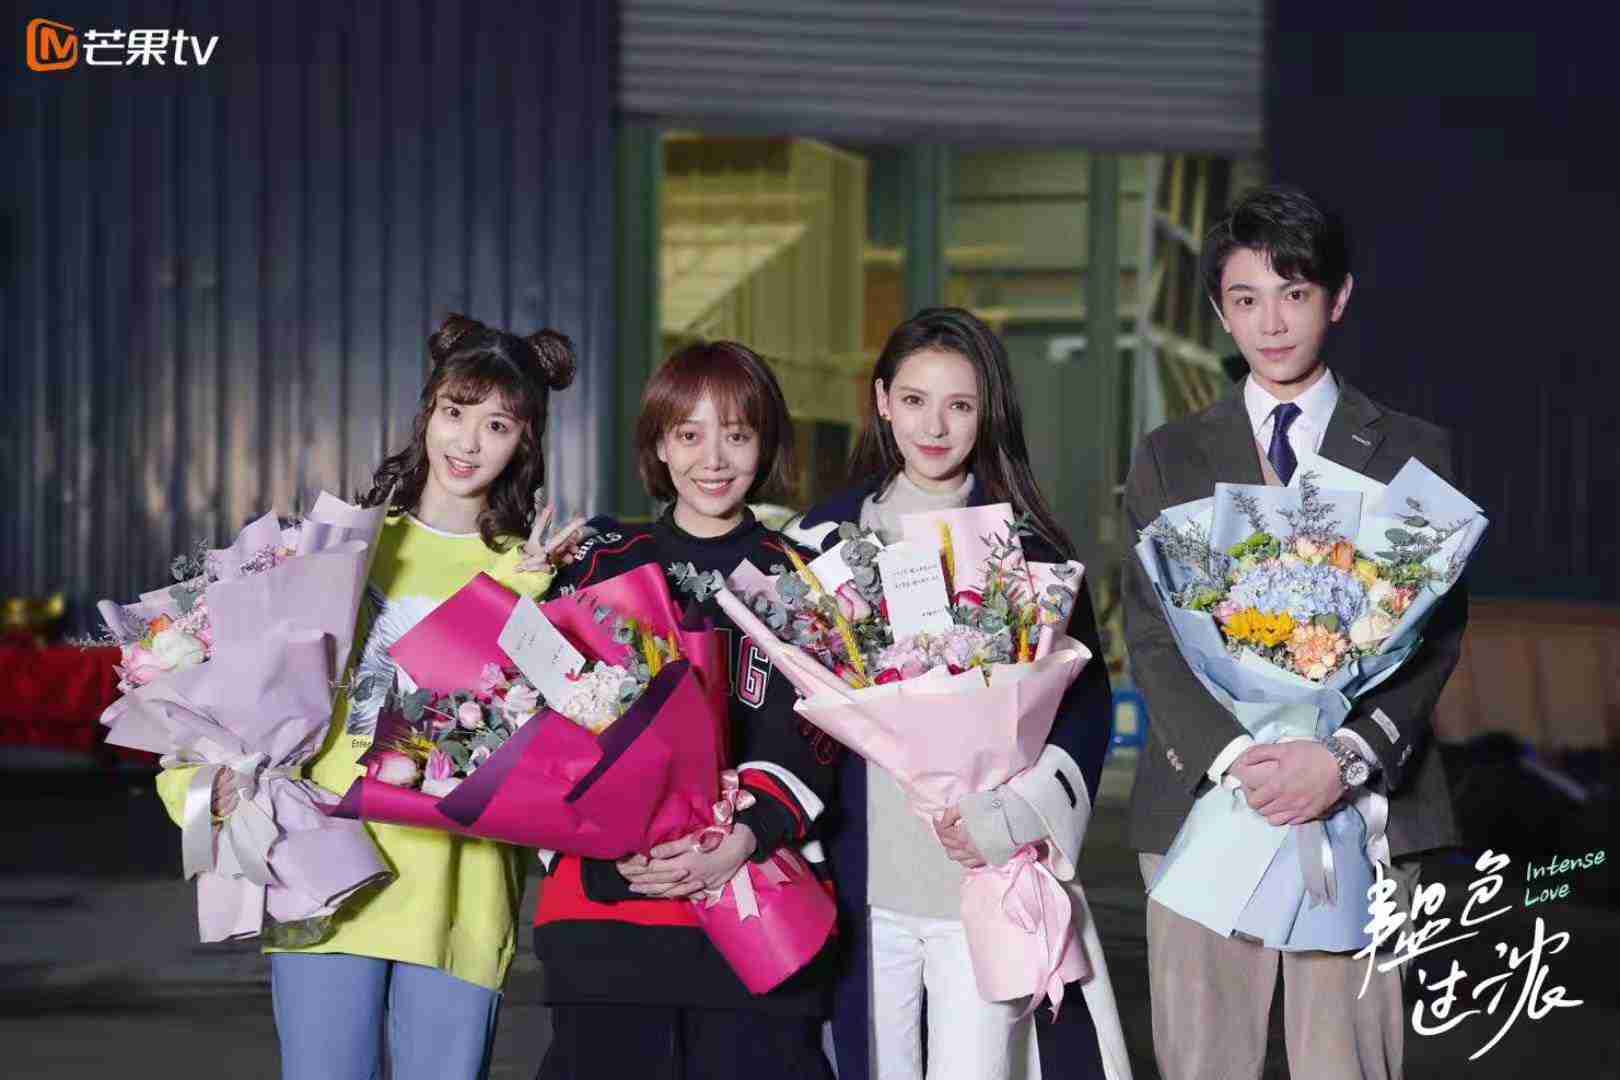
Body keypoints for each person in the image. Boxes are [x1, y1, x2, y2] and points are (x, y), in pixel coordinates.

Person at [156, 313, 576, 1079]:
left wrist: (546, 610)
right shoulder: (335, 546)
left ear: (525, 441)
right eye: (455, 412)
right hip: (326, 870)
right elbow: (224, 699)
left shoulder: (531, 574)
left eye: (497, 425)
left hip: (459, 889)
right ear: (427, 414)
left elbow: (554, 750)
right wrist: (203, 784)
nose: (468, 443)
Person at [1122, 185, 1468, 1080]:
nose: (1271, 323)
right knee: (1204, 1062)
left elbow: (1433, 636)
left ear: (1338, 298)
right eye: (1246, 299)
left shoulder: (1414, 450)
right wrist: (1239, 759)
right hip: (1208, 805)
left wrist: (1343, 759)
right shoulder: (1169, 455)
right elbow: (1151, 633)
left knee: (1346, 1063)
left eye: (1295, 293)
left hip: (1362, 807)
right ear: (1219, 311)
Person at [789, 307, 1127, 1080]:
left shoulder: (1028, 551)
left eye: (960, 405)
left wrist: (1009, 820)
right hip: (862, 882)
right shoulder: (822, 543)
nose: (935, 426)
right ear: (882, 401)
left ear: (988, 413)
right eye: (914, 400)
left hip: (982, 878)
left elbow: (1084, 713)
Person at [532, 341, 839, 1080]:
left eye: (737, 434)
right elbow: (540, 724)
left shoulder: (799, 574)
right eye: (690, 434)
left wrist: (746, 834)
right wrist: (608, 833)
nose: (713, 459)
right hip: (610, 914)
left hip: (755, 908)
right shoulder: (597, 561)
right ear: (660, 444)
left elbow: (819, 734)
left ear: (765, 444)